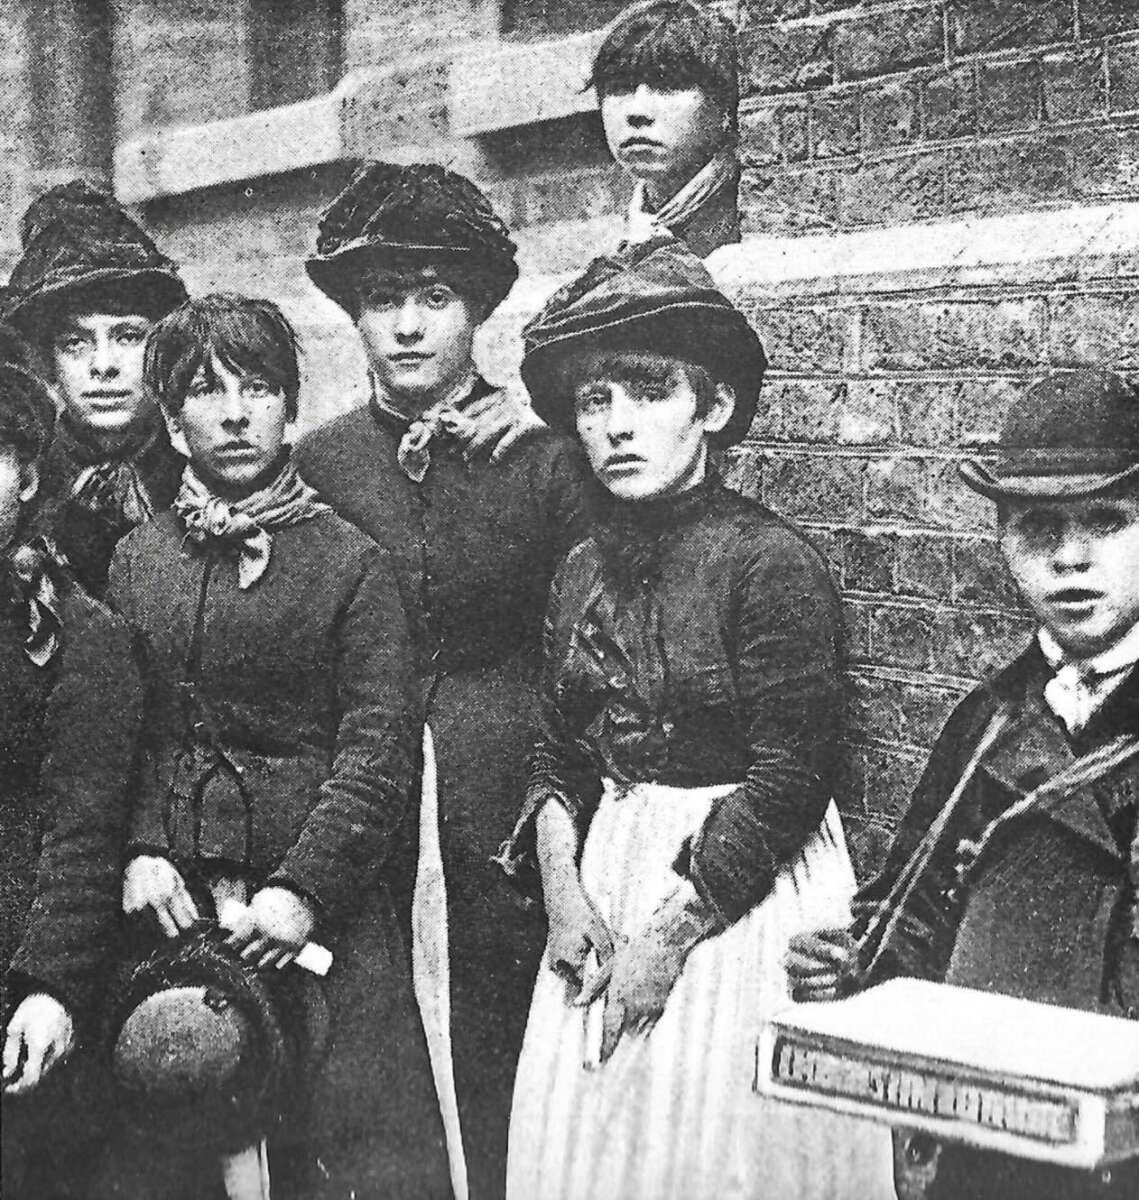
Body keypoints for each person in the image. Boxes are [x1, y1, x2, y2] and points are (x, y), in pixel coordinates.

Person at [498, 238, 880, 1200]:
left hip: (738, 895)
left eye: (649, 391)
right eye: (596, 400)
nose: (619, 425)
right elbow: (556, 747)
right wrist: (562, 891)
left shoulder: (767, 564)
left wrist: (667, 941)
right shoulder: (580, 568)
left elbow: (791, 776)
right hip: (609, 873)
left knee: (713, 1152)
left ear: (710, 408)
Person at [95, 294, 448, 1199]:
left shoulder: (349, 564)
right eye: (206, 393)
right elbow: (125, 731)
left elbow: (376, 754)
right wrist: (139, 848)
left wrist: (302, 890)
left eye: (257, 388)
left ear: (289, 407)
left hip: (316, 917)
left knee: (342, 1146)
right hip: (174, 903)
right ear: (172, 424)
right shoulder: (137, 560)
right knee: (175, 1131)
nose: (235, 412)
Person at [297, 161, 592, 1200]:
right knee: (376, 1051)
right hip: (369, 791)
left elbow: (585, 639)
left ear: (477, 311)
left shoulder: (547, 460)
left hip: (501, 786)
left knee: (507, 1034)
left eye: (436, 297)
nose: (410, 327)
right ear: (354, 317)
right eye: (384, 300)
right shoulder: (318, 465)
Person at [787, 368, 1139, 1199]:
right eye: (1036, 527)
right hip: (993, 1131)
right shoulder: (983, 720)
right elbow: (915, 903)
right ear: (999, 542)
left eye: (1107, 522)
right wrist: (854, 967)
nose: (1069, 555)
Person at [0, 324, 143, 1198]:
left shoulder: (75, 635)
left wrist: (48, 987)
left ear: (24, 477)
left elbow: (85, 834)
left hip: (17, 973)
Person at [3, 180, 188, 597]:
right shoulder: (15, 488)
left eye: (127, 337)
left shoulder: (207, 473)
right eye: (74, 343)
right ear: (48, 363)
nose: (103, 366)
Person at [591, 0, 742, 258]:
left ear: (723, 107)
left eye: (668, 85)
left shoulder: (744, 216)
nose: (637, 111)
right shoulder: (633, 227)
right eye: (619, 87)